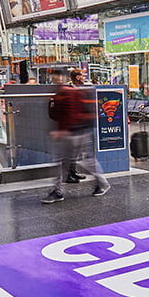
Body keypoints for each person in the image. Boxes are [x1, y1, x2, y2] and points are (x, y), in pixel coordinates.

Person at [43, 68, 109, 202]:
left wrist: (62, 130)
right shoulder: (61, 93)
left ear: (64, 78)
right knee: (70, 162)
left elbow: (70, 113)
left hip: (75, 132)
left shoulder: (68, 92)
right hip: (76, 131)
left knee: (81, 161)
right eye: (54, 79)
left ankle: (101, 184)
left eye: (58, 79)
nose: (56, 81)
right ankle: (59, 190)